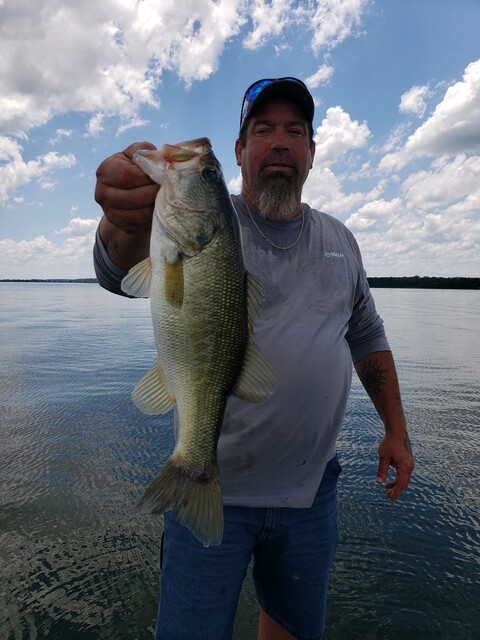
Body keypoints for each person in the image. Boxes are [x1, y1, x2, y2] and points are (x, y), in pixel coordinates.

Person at [93, 77, 415, 640]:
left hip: (312, 492)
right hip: (217, 490)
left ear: (312, 153)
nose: (280, 141)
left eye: (295, 130)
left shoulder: (342, 240)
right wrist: (121, 221)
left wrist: (396, 430)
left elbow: (366, 335)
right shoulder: (210, 220)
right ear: (241, 152)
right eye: (262, 130)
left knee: (291, 631)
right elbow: (117, 268)